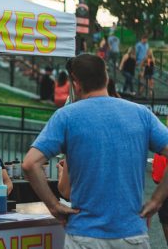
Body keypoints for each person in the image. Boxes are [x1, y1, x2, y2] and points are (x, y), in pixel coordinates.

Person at [22, 54, 168, 249]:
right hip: (131, 235)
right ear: (106, 77)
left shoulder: (66, 116)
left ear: (76, 83)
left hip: (85, 235)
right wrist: (157, 200)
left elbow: (30, 164)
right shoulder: (141, 114)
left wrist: (54, 206)